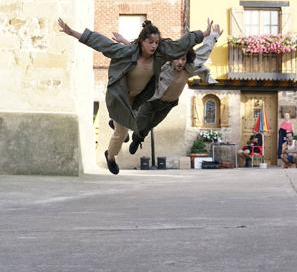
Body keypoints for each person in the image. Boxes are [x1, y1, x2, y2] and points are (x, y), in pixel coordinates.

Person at [58, 17, 212, 175]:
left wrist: (204, 34)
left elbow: (180, 44)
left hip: (138, 100)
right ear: (142, 41)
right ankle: (110, 156)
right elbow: (101, 43)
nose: (154, 46)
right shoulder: (128, 51)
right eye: (150, 42)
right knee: (121, 133)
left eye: (156, 43)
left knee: (134, 125)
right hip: (120, 97)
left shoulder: (159, 55)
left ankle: (118, 123)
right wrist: (73, 33)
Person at [110, 24, 222, 154]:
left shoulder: (189, 69)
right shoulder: (163, 65)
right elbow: (140, 52)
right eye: (177, 59)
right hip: (152, 101)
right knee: (140, 123)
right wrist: (123, 40)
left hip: (168, 104)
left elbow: (203, 53)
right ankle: (124, 130)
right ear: (171, 59)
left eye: (183, 59)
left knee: (151, 125)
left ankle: (137, 138)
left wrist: (213, 36)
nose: (180, 62)